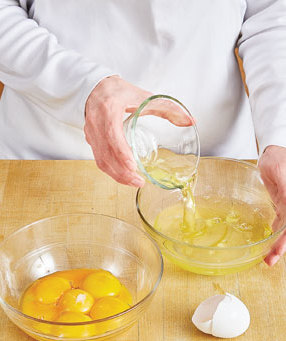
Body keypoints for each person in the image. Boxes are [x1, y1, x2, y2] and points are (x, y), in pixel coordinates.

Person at [0, 1, 285, 265]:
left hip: (220, 160)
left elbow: (271, 15)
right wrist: (80, 87)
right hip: (46, 159)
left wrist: (280, 135)